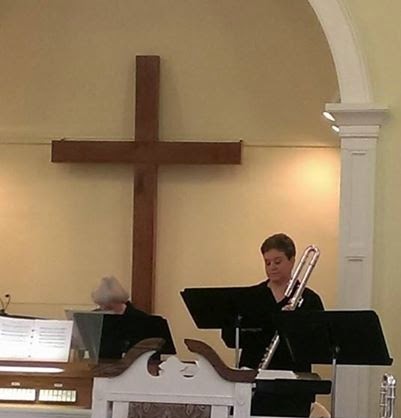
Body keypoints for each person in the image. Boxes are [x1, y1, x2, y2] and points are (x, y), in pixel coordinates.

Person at [222, 233, 324, 416]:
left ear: (292, 261)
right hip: (255, 383)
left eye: (278, 261)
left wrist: (292, 327)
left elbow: (318, 344)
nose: (272, 267)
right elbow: (230, 337)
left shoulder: (310, 299)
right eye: (267, 262)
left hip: (294, 386)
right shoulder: (249, 298)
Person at [91, 276, 175, 359]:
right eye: (101, 305)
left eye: (108, 306)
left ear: (118, 300)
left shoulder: (144, 321)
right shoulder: (96, 318)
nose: (103, 309)